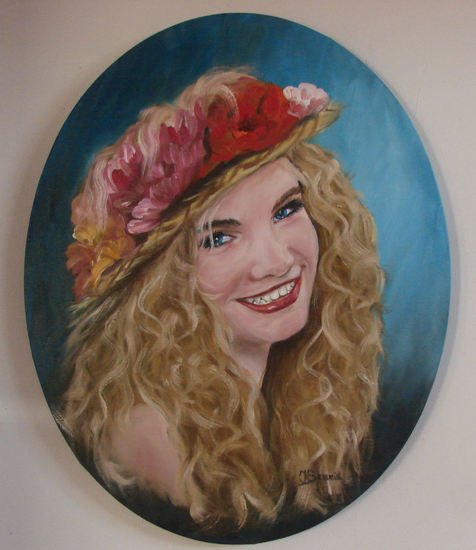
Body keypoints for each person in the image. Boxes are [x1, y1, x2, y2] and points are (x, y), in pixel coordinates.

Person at [60, 69, 384, 532]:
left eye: (286, 210)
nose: (276, 261)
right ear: (163, 282)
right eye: (218, 238)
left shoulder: (295, 390)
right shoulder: (155, 438)